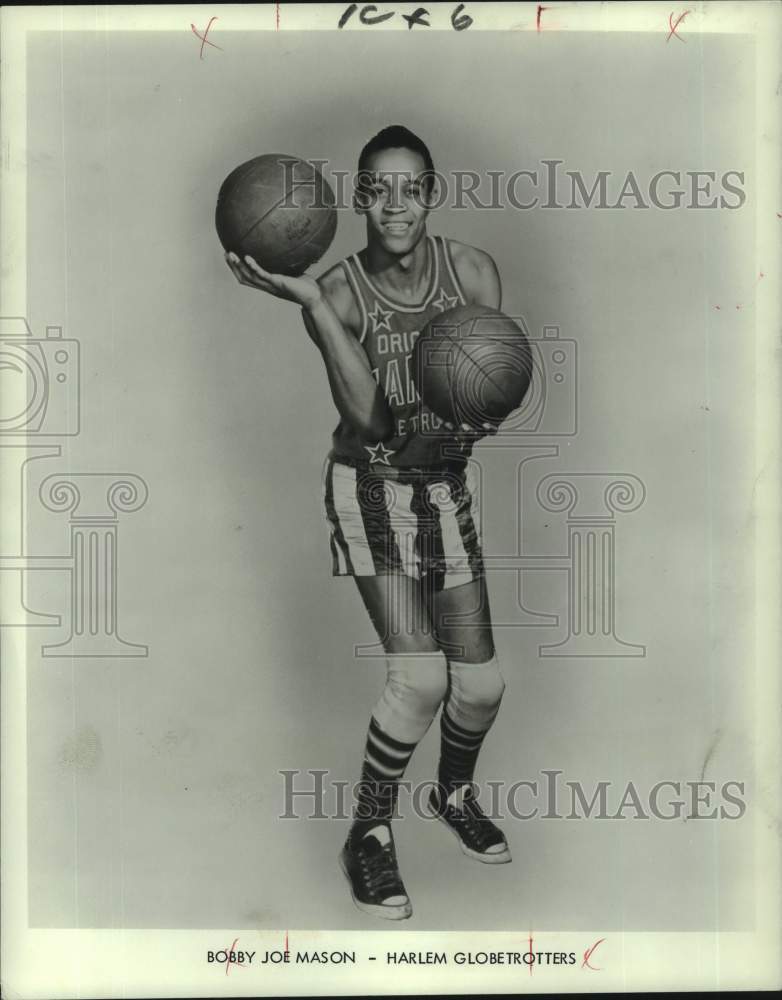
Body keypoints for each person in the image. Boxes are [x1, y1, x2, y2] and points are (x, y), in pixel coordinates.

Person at [225, 125, 510, 922]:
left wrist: (487, 405)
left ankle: (453, 795)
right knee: (420, 680)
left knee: (482, 687)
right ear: (358, 200)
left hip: (444, 488)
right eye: (378, 190)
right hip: (373, 489)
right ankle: (369, 832)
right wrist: (315, 306)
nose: (395, 205)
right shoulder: (341, 295)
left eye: (411, 188)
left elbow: (487, 383)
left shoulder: (474, 272)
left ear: (432, 195)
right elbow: (374, 422)